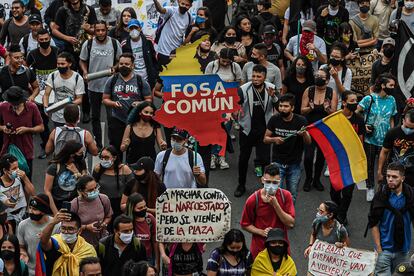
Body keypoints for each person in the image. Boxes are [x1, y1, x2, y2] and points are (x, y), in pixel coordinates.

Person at [235, 65, 277, 197]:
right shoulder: (243, 89)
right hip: (247, 130)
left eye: (259, 76)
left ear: (264, 77)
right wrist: (236, 112)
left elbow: (279, 106)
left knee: (265, 160)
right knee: (243, 160)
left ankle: (267, 188)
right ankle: (241, 185)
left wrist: (274, 97)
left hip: (264, 131)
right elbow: (236, 104)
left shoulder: (271, 88)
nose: (255, 79)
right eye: (253, 76)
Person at [79, 21, 122, 149]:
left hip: (110, 87)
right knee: (95, 117)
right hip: (93, 86)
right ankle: (98, 143)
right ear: (94, 31)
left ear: (106, 30)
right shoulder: (88, 44)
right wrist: (85, 72)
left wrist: (115, 68)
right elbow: (82, 60)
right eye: (97, 30)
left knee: (111, 117)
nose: (100, 33)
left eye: (103, 30)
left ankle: (112, 145)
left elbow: (121, 60)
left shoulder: (114, 43)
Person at [367, 162, 414, 275]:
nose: (390, 179)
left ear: (402, 178)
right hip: (384, 251)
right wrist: (379, 249)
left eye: (394, 177)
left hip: (403, 252)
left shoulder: (411, 196)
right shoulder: (380, 196)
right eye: (388, 176)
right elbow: (373, 223)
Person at [240, 164, 295, 259]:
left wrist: (276, 205)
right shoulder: (253, 200)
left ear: (279, 182)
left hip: (281, 249)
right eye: (268, 182)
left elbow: (290, 224)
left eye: (274, 183)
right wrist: (261, 232)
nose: (271, 186)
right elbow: (245, 224)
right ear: (262, 180)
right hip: (260, 250)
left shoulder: (286, 196)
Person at [264, 93, 312, 202]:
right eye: (281, 106)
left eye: (286, 106)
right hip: (277, 163)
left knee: (292, 195)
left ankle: (289, 217)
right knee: (274, 194)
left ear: (292, 108)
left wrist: (304, 134)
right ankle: (276, 218)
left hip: (294, 164)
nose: (282, 109)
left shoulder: (301, 121)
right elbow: (265, 139)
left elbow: (308, 142)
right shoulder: (274, 119)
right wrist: (274, 139)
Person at [357, 73, 397, 201]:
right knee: (369, 164)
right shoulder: (369, 99)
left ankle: (382, 190)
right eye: (391, 85)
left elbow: (391, 118)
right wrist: (363, 126)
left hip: (385, 141)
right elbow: (356, 112)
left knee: (385, 166)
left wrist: (392, 132)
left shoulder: (392, 100)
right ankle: (370, 187)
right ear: (383, 85)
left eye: (394, 85)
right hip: (370, 139)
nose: (393, 87)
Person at [103, 53, 152, 153]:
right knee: (115, 149)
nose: (123, 66)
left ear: (132, 65)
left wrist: (140, 104)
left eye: (126, 64)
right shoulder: (112, 80)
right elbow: (105, 99)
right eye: (121, 64)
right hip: (117, 119)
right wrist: (113, 103)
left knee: (135, 150)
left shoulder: (140, 81)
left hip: (135, 121)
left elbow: (149, 100)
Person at [330, 91, 364, 224]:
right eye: (352, 101)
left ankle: (341, 216)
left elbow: (360, 141)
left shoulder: (359, 120)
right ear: (344, 102)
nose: (355, 103)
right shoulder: (335, 118)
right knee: (334, 192)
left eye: (356, 100)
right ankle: (339, 211)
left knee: (348, 193)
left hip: (352, 161)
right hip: (337, 161)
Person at [301, 67, 338, 192]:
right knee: (308, 157)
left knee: (321, 157)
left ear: (327, 80)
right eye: (316, 75)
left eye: (321, 77)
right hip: (310, 128)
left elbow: (334, 113)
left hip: (324, 129)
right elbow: (302, 110)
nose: (318, 78)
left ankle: (316, 179)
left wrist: (327, 109)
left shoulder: (331, 92)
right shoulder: (309, 90)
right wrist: (310, 108)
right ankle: (308, 178)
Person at [26, 28, 58, 159]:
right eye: (41, 40)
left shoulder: (57, 52)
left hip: (56, 93)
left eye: (46, 39)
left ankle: (58, 144)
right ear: (37, 41)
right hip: (39, 93)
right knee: (42, 121)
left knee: (58, 120)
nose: (44, 41)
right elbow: (27, 72)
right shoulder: (32, 55)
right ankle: (47, 145)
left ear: (50, 38)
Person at [0, 86, 44, 179]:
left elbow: (41, 127)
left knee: (26, 181)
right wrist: (3, 128)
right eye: (12, 103)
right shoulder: (3, 107)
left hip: (26, 151)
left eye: (16, 104)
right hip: (7, 151)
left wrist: (28, 129)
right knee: (8, 182)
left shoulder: (32, 107)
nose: (14, 106)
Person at [38, 211, 97, 276]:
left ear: (79, 231)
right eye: (63, 228)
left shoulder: (88, 249)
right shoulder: (56, 242)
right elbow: (44, 241)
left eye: (70, 229)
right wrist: (52, 223)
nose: (66, 232)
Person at [17, 194, 59, 275]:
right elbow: (21, 247)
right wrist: (23, 253)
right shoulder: (23, 225)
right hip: (31, 271)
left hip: (52, 271)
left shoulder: (56, 225)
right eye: (30, 208)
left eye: (35, 209)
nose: (31, 211)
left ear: (44, 211)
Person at [93, 145, 133, 227]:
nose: (104, 160)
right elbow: (92, 185)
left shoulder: (124, 169)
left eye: (107, 157)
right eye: (102, 157)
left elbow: (132, 188)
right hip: (102, 204)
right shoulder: (98, 168)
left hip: (119, 204)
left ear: (114, 158)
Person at [44, 140, 88, 214]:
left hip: (76, 203)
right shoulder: (54, 167)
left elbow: (86, 184)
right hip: (58, 204)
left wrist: (76, 173)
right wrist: (56, 213)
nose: (82, 155)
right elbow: (47, 191)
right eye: (80, 153)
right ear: (72, 154)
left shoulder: (80, 163)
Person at [43, 52, 85, 128]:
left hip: (72, 115)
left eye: (63, 64)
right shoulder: (52, 76)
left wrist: (67, 105)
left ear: (70, 64)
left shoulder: (78, 78)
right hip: (57, 116)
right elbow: (46, 94)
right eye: (58, 64)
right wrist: (46, 107)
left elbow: (79, 99)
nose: (60, 66)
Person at [71, 175, 113, 247]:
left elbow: (109, 216)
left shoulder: (103, 199)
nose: (94, 191)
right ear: (81, 191)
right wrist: (86, 227)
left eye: (95, 188)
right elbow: (70, 225)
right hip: (82, 244)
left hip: (101, 241)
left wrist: (104, 224)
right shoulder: (75, 204)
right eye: (90, 190)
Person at [378, 109, 414, 189]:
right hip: (393, 172)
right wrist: (379, 171)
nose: (409, 130)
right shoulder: (393, 133)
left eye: (412, 128)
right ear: (403, 120)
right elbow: (384, 152)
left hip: (411, 174)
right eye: (407, 127)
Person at [152, 0, 193, 66]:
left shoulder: (189, 17)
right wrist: (155, 1)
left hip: (176, 54)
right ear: (179, 1)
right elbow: (161, 10)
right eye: (182, 4)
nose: (184, 6)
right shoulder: (171, 10)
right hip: (163, 52)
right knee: (162, 74)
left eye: (187, 5)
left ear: (191, 6)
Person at [0, 154, 35, 230]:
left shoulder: (20, 177)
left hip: (23, 215)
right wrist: (5, 203)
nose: (18, 170)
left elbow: (33, 193)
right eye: (14, 168)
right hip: (8, 219)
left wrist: (25, 178)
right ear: (5, 170)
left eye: (18, 167)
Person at [121, 19, 158, 89]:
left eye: (136, 28)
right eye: (131, 28)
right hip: (132, 79)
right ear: (128, 30)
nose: (134, 30)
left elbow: (154, 58)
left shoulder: (148, 40)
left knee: (149, 99)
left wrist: (155, 74)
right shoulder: (124, 44)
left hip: (148, 77)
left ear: (140, 28)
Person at [125, 193, 158, 270]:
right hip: (130, 259)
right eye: (140, 208)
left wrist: (157, 262)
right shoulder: (125, 221)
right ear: (132, 208)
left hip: (148, 258)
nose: (143, 209)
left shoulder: (150, 219)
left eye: (144, 206)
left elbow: (155, 241)